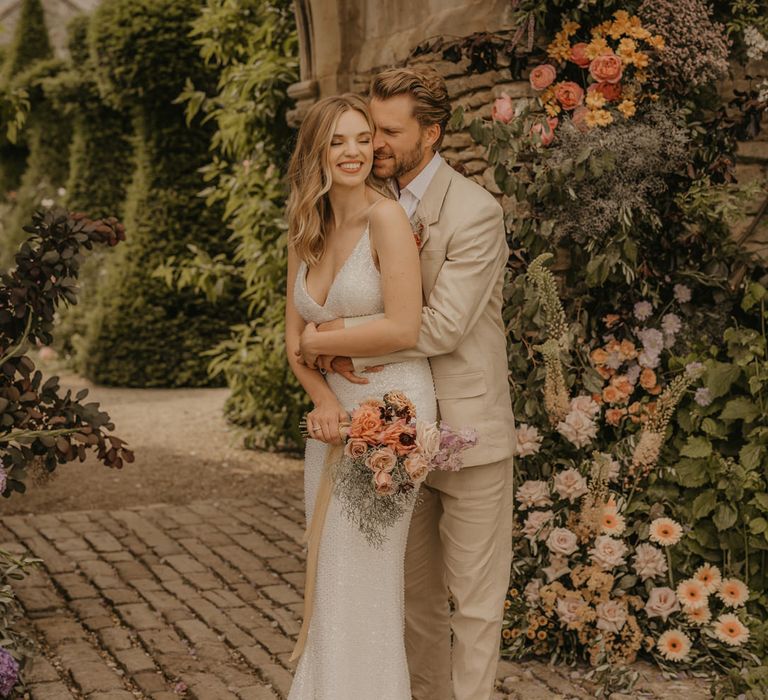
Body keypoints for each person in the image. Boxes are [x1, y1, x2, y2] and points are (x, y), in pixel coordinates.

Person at [301, 67, 516, 700]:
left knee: (475, 606)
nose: (377, 145)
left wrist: (336, 337)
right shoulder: (365, 206)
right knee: (413, 597)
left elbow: (443, 325)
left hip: (467, 431)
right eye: (372, 130)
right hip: (390, 428)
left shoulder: (476, 213)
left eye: (389, 132)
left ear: (433, 133)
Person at [284, 93, 437, 700]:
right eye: (337, 140)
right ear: (316, 149)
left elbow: (405, 325)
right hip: (332, 418)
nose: (352, 152)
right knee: (327, 573)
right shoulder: (305, 226)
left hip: (389, 415)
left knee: (360, 577)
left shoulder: (386, 219)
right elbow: (293, 344)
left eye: (361, 138)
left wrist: (327, 335)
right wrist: (322, 399)